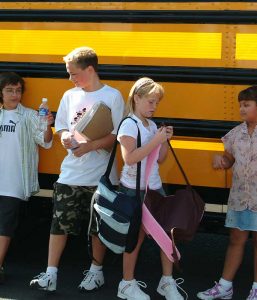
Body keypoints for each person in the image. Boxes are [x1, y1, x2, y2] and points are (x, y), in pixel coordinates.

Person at [30, 47, 125, 292]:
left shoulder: (112, 96)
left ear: (90, 69)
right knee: (59, 223)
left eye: (73, 73)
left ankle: (96, 272)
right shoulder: (69, 95)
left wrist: (91, 145)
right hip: (71, 172)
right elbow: (62, 127)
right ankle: (50, 274)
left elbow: (118, 135)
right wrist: (63, 138)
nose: (70, 78)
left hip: (102, 176)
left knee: (98, 228)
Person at [197, 86, 257, 300]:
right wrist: (222, 160)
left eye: (246, 105)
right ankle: (225, 286)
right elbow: (230, 158)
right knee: (236, 239)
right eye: (240, 104)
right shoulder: (236, 133)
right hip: (240, 196)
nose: (241, 108)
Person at [116, 77, 185, 300]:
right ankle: (126, 284)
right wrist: (155, 141)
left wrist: (164, 140)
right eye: (150, 101)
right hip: (134, 191)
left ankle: (167, 281)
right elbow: (130, 158)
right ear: (136, 98)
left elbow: (160, 159)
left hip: (154, 188)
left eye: (157, 102)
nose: (154, 107)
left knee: (166, 234)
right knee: (136, 238)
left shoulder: (151, 124)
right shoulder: (129, 124)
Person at [0, 72, 53, 284]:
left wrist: (47, 125)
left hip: (14, 181)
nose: (15, 94)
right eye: (9, 90)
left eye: (18, 90)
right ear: (1, 93)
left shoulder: (30, 115)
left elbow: (45, 141)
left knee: (5, 225)